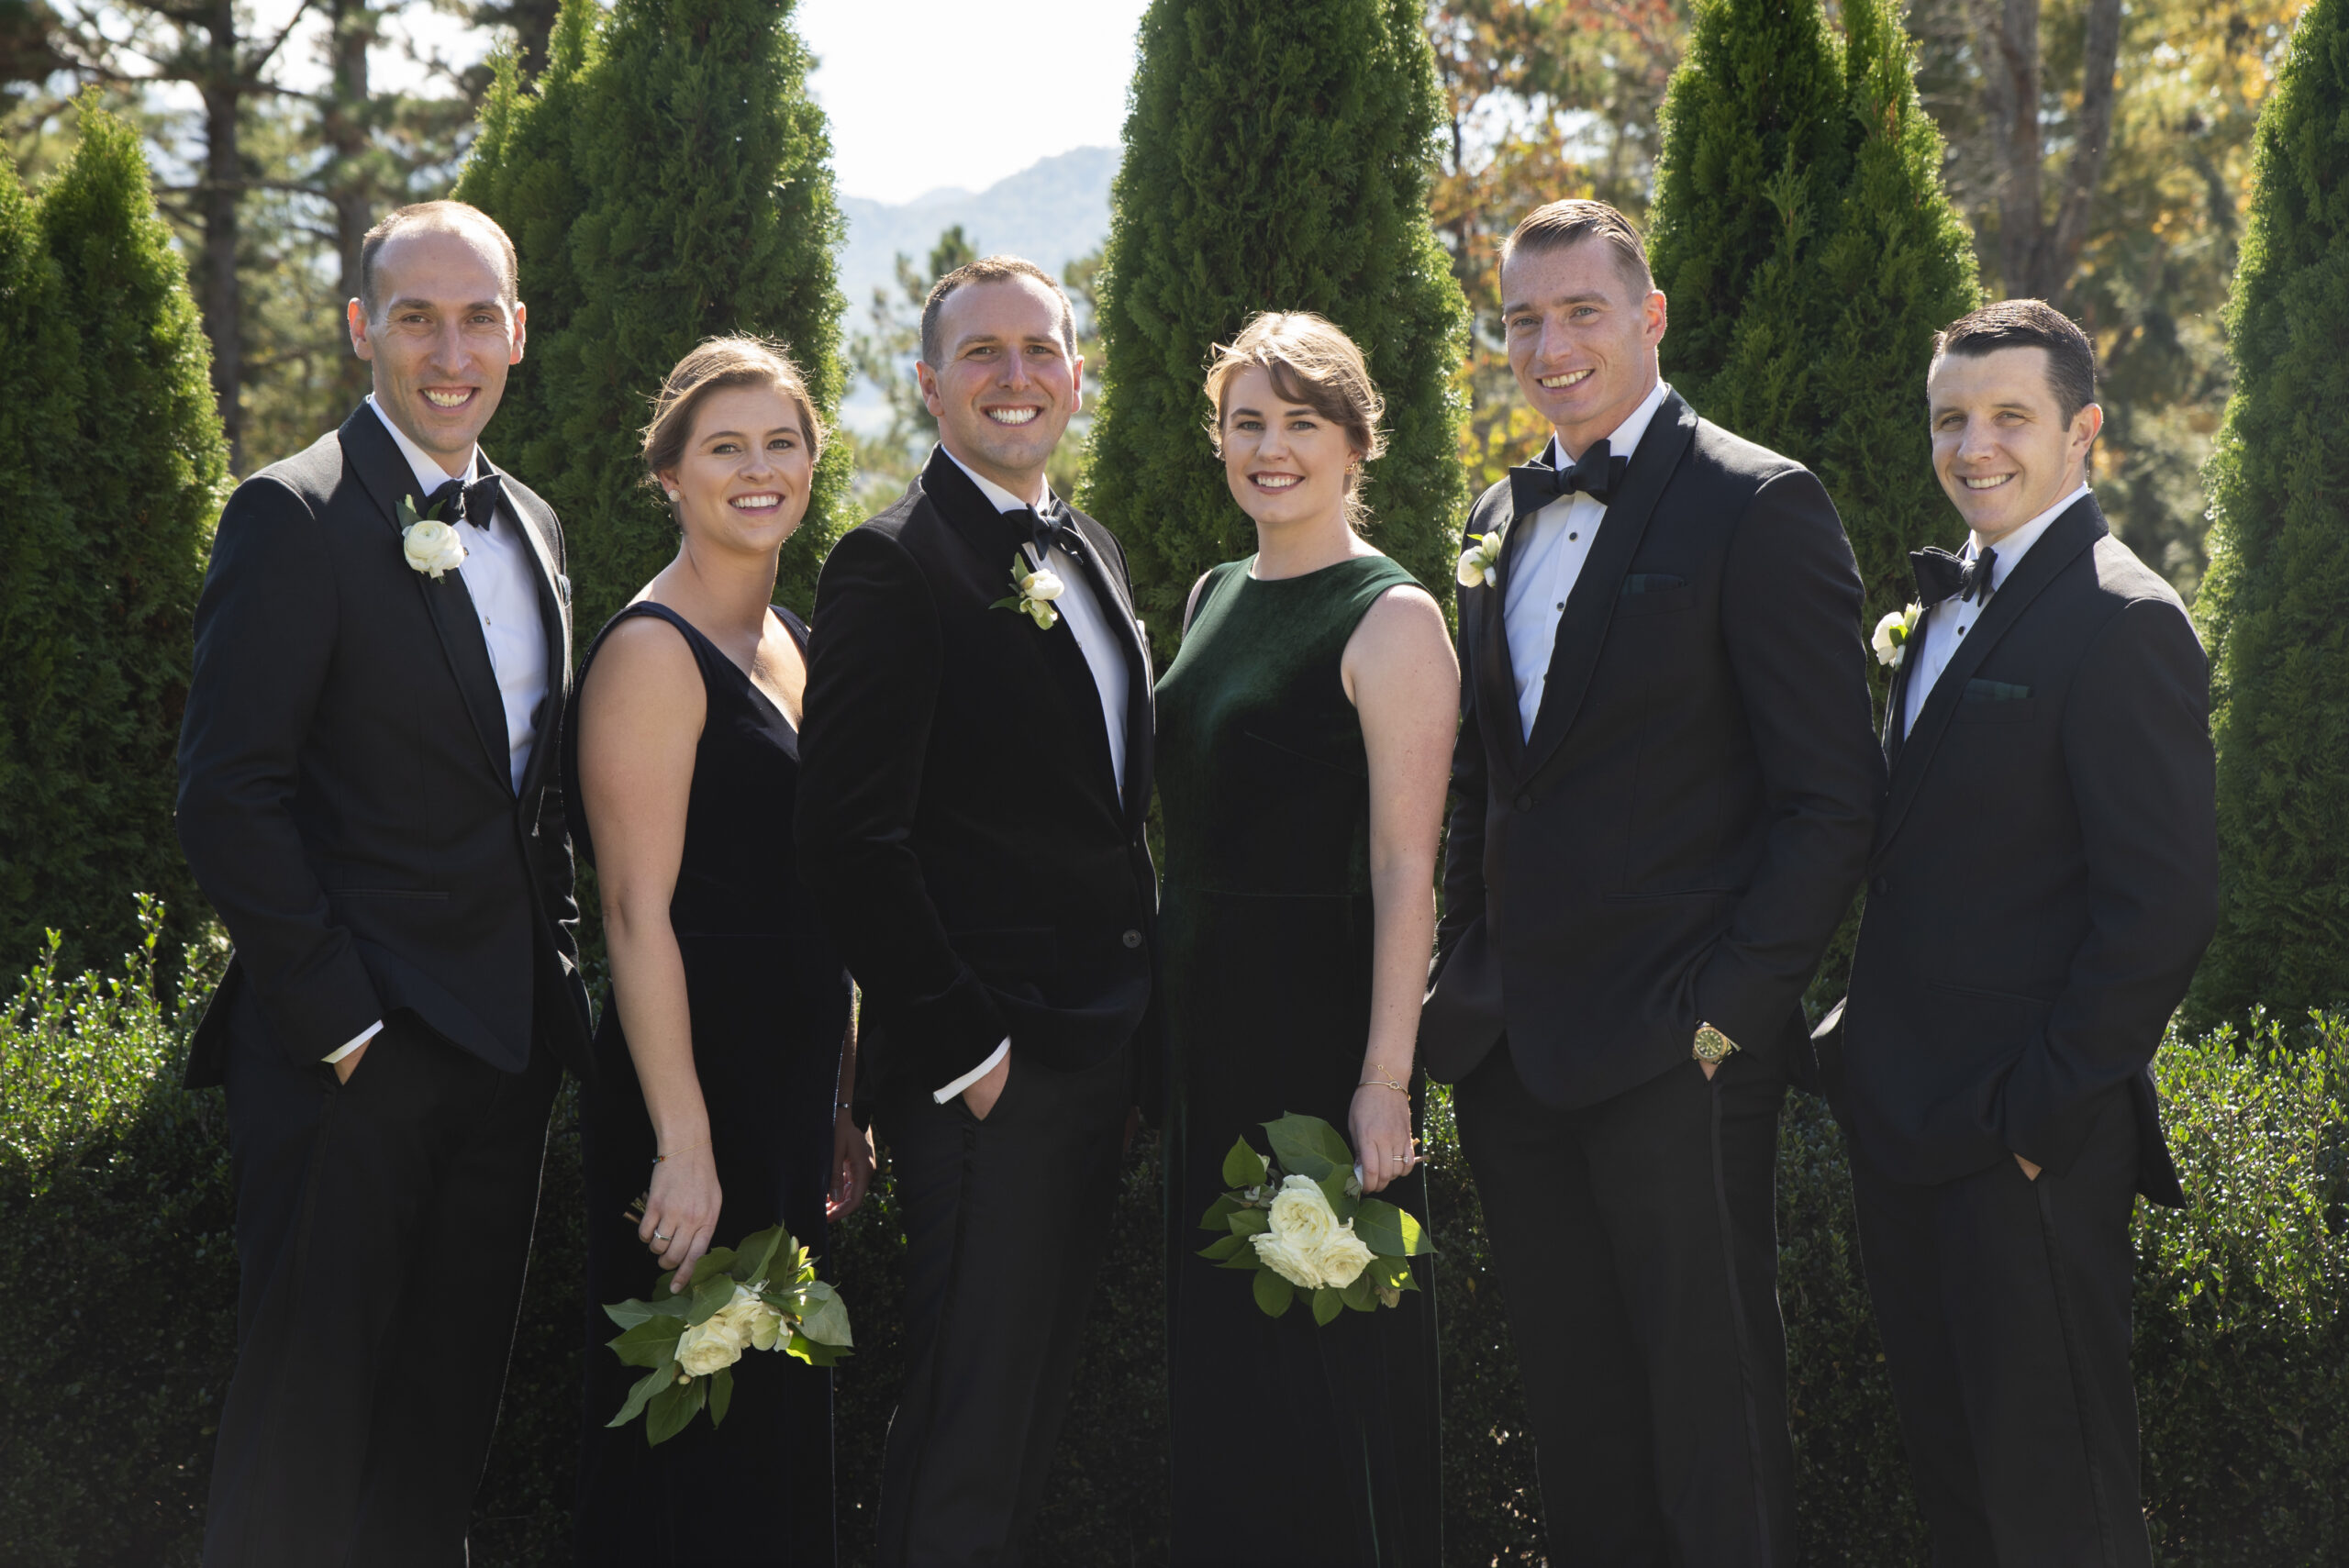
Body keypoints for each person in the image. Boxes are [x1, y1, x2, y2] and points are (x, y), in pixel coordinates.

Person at [1419, 198, 1884, 1565]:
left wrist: (1729, 1013)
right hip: (1516, 1059)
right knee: (1577, 1425)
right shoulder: (1494, 512)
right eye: (1522, 320)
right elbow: (1483, 782)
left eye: (1581, 312)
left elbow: (1831, 796)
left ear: (1650, 315)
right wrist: (1465, 969)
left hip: (1680, 1056)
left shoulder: (1760, 502)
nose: (1549, 345)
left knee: (1714, 1423)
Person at [175, 199, 592, 1566]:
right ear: (365, 329)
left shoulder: (532, 522)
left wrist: (557, 1003)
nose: (450, 347)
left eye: (479, 316)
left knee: (437, 1441)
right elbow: (230, 795)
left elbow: (534, 795)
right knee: (300, 1450)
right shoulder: (290, 513)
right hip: (349, 1065)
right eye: (418, 315)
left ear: (518, 335)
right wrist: (348, 1028)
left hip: (504, 1059)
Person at [1822, 299, 2216, 1568]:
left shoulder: (2125, 618)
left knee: (2062, 1513)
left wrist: (2039, 1123)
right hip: (1907, 1131)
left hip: (2025, 1146)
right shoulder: (1938, 607)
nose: (1973, 444)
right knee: (1960, 1495)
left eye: (2008, 417)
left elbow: (2158, 908)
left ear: (2082, 430)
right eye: (1951, 417)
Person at [792, 255, 1156, 1567]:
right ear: (930, 381)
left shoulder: (1091, 548)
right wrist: (971, 1052)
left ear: (1078, 372)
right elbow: (847, 839)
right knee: (966, 1430)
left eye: (1040, 349)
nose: (1016, 376)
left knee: (1026, 1424)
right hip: (987, 1076)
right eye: (983, 353)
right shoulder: (893, 565)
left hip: (1095, 1055)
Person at [1154, 312, 1458, 1566]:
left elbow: (1406, 868)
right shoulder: (1214, 593)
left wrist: (1384, 1081)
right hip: (1202, 1038)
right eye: (1247, 423)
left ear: (1353, 443)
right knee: (1225, 1384)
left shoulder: (1392, 618)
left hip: (1317, 1043)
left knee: (1327, 1377)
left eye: (1299, 424)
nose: (1269, 450)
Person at [566, 338, 870, 1567]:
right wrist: (682, 1147)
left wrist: (842, 1097)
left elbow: (820, 892)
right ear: (671, 475)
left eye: (782, 443)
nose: (759, 470)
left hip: (789, 1097)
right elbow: (635, 914)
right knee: (687, 1439)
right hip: (688, 1095)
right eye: (725, 448)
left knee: (774, 1422)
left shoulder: (793, 637)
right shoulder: (651, 653)